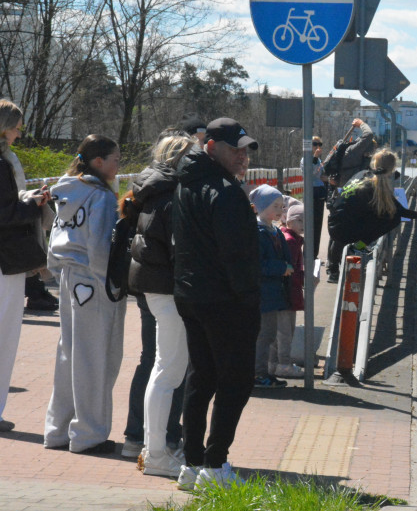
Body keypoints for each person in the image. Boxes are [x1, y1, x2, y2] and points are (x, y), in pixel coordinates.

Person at [172, 117, 260, 489]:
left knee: (201, 376)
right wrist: (249, 298)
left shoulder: (186, 182)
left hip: (192, 294)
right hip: (225, 298)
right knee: (235, 380)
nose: (243, 157)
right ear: (211, 146)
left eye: (246, 150)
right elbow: (237, 254)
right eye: (235, 150)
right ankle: (215, 464)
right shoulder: (223, 191)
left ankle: (192, 464)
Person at [44, 134, 126, 454]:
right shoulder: (101, 197)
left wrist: (56, 270)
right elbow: (100, 247)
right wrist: (112, 286)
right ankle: (89, 433)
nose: (119, 164)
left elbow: (54, 237)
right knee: (94, 358)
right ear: (98, 162)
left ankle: (58, 430)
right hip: (93, 280)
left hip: (67, 275)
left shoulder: (65, 191)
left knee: (68, 355)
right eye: (115, 159)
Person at [324, 148, 417, 386]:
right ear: (392, 169)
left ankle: (358, 245)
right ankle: (363, 245)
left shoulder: (364, 177)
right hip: (343, 230)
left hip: (336, 226)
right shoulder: (376, 186)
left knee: (386, 213)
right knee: (390, 218)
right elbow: (397, 213)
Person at [125, 131, 195, 477]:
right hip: (168, 290)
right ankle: (155, 452)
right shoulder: (171, 196)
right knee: (168, 370)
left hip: (157, 288)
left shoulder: (154, 190)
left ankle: (154, 448)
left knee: (165, 368)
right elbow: (178, 248)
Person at [0, 99, 51, 433]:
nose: (20, 133)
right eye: (17, 127)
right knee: (5, 336)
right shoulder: (2, 163)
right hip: (5, 260)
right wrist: (34, 204)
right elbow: (5, 214)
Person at [249, 184, 292, 389]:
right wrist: (282, 267)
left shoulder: (274, 231)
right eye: (275, 205)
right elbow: (257, 265)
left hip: (273, 292)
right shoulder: (257, 232)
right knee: (264, 335)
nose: (279, 210)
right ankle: (257, 374)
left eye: (282, 206)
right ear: (261, 206)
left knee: (269, 334)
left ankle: (262, 372)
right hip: (264, 294)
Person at [324, 119, 376, 283]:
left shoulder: (346, 152)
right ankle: (334, 269)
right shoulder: (354, 152)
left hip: (338, 197)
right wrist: (361, 123)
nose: (370, 154)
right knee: (341, 236)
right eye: (370, 151)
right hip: (346, 200)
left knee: (336, 235)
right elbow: (368, 135)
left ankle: (333, 267)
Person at [275, 203, 307, 379]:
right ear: (289, 221)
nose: (303, 224)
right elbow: (291, 271)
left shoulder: (288, 238)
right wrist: (304, 279)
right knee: (286, 332)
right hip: (288, 293)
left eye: (305, 220)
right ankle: (284, 365)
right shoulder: (291, 242)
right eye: (299, 220)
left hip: (282, 293)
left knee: (278, 331)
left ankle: (274, 363)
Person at [300, 136, 328, 258]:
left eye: (319, 144)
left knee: (318, 225)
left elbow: (320, 174)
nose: (317, 146)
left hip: (320, 193)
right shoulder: (305, 159)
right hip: (311, 193)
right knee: (310, 225)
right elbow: (309, 173)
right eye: (315, 144)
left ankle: (314, 253)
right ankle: (307, 253)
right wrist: (315, 158)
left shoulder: (319, 160)